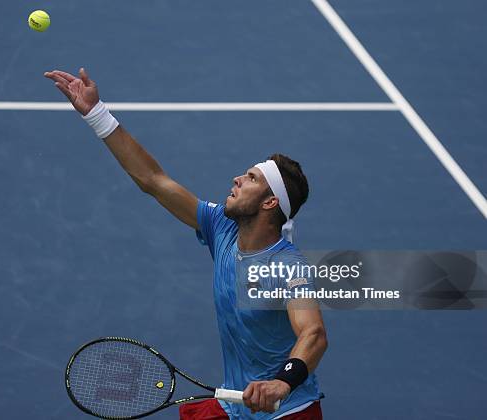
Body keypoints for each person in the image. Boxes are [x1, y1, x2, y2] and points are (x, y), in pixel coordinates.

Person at [45, 68, 328, 419]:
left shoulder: (287, 267)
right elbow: (153, 180)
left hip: (287, 411)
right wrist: (95, 113)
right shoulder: (222, 228)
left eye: (252, 179)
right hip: (237, 404)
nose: (237, 179)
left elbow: (313, 333)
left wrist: (283, 383)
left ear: (270, 203)